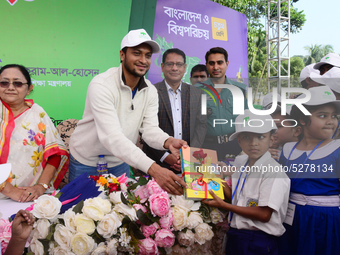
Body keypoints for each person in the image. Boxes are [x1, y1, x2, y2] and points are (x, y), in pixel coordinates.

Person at [69, 29, 187, 195]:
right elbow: (112, 137)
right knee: (78, 213)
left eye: (147, 55)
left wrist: (167, 141)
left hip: (120, 161)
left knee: (119, 215)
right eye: (137, 53)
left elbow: (149, 130)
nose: (143, 60)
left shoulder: (151, 91)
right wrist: (154, 169)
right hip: (86, 161)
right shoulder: (101, 85)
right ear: (122, 55)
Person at [204, 110, 290, 255]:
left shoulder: (273, 171)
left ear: (271, 139)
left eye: (261, 137)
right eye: (246, 137)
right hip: (237, 236)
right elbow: (239, 200)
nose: (253, 143)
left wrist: (225, 206)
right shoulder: (242, 164)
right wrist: (215, 181)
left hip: (259, 240)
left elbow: (264, 214)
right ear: (238, 141)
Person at [279, 86, 340, 255]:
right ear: (303, 120)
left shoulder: (337, 149)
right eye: (322, 116)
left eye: (334, 116)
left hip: (325, 221)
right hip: (291, 218)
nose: (331, 121)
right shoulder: (287, 150)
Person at [0, 64, 68, 202]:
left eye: (18, 83)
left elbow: (54, 155)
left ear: (29, 89)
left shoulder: (37, 113)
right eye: (4, 83)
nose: (11, 87)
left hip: (32, 197)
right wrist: (10, 191)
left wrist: (40, 187)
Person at [142, 48, 207, 172]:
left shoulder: (200, 94)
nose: (174, 68)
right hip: (157, 164)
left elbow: (202, 125)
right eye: (170, 64)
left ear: (185, 67)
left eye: (179, 64)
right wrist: (166, 157)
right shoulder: (149, 92)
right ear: (162, 67)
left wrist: (189, 155)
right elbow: (146, 129)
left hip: (189, 162)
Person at [195, 47, 248, 161]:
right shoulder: (196, 90)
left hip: (235, 146)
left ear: (227, 63)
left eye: (220, 63)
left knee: (234, 178)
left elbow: (246, 120)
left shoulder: (239, 90)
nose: (216, 67)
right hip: (206, 147)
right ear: (207, 65)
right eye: (212, 63)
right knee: (208, 178)